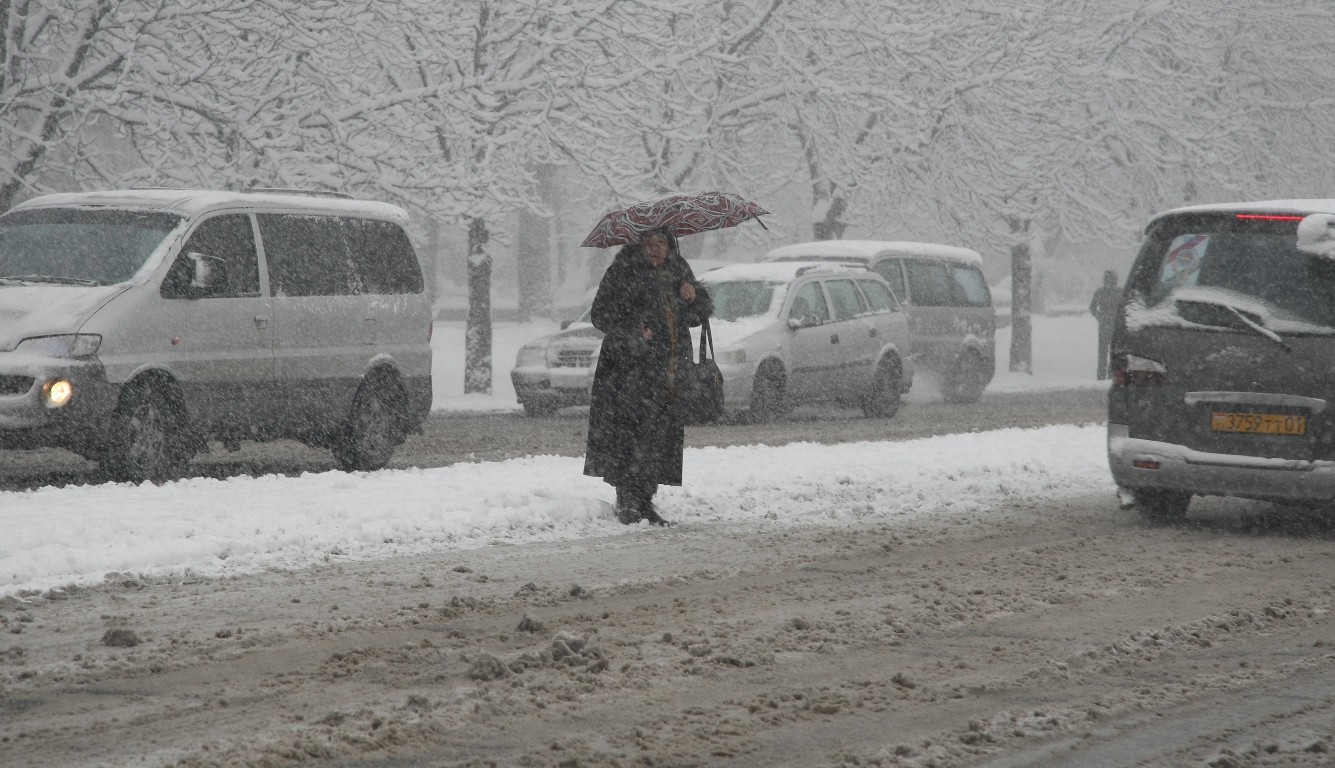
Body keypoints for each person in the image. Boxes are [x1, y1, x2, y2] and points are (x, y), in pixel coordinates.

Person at [584, 227, 713, 525]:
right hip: (629, 371)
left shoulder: (679, 268)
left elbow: (696, 316)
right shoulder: (622, 271)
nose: (655, 249)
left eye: (661, 243)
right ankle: (627, 500)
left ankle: (646, 500)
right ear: (638, 245)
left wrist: (694, 297)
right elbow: (600, 314)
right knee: (629, 434)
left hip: (668, 370)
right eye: (648, 243)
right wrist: (633, 330)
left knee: (660, 436)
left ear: (669, 245)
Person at [1089, 270, 1121, 380]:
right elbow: (1125, 308)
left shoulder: (1100, 292)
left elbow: (1092, 308)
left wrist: (1100, 317)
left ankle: (1101, 375)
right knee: (1114, 352)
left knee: (1102, 352)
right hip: (1115, 327)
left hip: (1104, 326)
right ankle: (1112, 374)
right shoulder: (1121, 292)